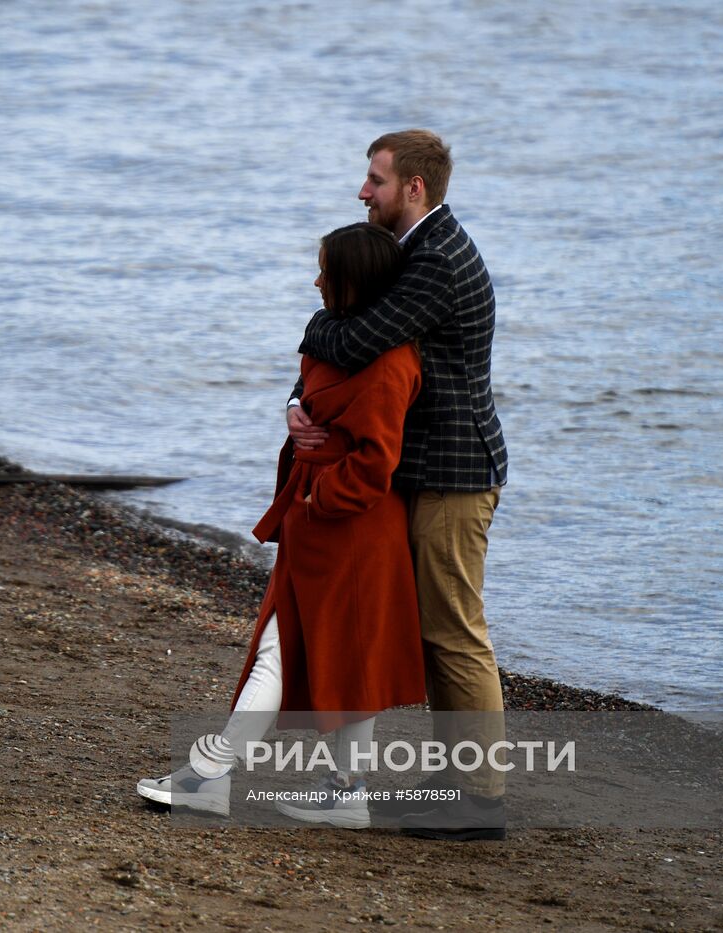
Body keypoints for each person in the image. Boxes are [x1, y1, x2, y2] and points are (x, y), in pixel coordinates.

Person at [137, 223, 427, 828]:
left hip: (350, 527)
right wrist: (293, 413)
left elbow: (376, 465)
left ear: (355, 281)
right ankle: (345, 791)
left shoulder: (390, 362)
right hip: (324, 520)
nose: (316, 279)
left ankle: (210, 772)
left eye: (327, 270)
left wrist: (319, 502)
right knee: (342, 658)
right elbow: (308, 395)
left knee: (285, 647)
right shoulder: (336, 337)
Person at [288, 130, 508, 840]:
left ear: (414, 188)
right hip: (427, 468)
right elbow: (355, 340)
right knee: (435, 631)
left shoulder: (436, 260)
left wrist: (309, 332)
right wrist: (302, 398)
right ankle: (454, 784)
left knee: (454, 632)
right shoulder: (413, 253)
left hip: (455, 472)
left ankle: (478, 799)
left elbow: (354, 341)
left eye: (375, 181)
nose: (362, 192)